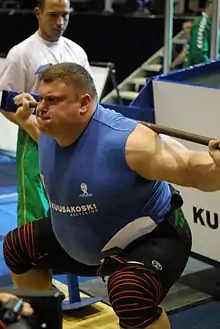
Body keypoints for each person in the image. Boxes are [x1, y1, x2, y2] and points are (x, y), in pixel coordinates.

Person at [3, 62, 220, 329]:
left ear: (84, 103)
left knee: (129, 293)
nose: (41, 107)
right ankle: (43, 323)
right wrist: (18, 114)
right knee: (19, 246)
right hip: (88, 239)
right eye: (41, 98)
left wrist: (218, 165)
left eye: (52, 100)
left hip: (152, 239)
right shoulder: (50, 129)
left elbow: (192, 169)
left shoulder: (130, 142)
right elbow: (44, 136)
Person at [0, 0, 92, 227]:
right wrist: (33, 129)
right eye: (53, 15)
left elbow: (91, 99)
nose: (60, 22)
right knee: (34, 209)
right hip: (34, 141)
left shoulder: (77, 52)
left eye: (65, 15)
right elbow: (6, 104)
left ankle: (67, 256)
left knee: (72, 204)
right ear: (38, 13)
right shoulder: (21, 54)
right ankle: (32, 260)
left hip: (74, 141)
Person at [183, 0, 220, 68]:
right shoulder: (201, 23)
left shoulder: (215, 25)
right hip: (196, 75)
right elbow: (199, 54)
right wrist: (213, 69)